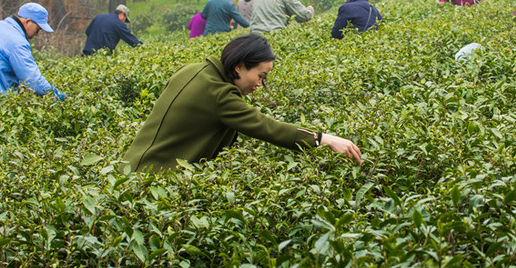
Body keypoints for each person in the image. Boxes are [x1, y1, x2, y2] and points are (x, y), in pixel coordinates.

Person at [122, 35, 361, 172]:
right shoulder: (220, 95)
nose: (259, 84)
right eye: (260, 76)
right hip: (152, 178)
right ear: (239, 67)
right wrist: (323, 139)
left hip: (127, 167)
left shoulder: (193, 70)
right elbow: (268, 128)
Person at [0, 2, 65, 102]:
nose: (37, 34)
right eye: (37, 29)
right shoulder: (17, 41)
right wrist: (53, 93)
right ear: (27, 21)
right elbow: (31, 79)